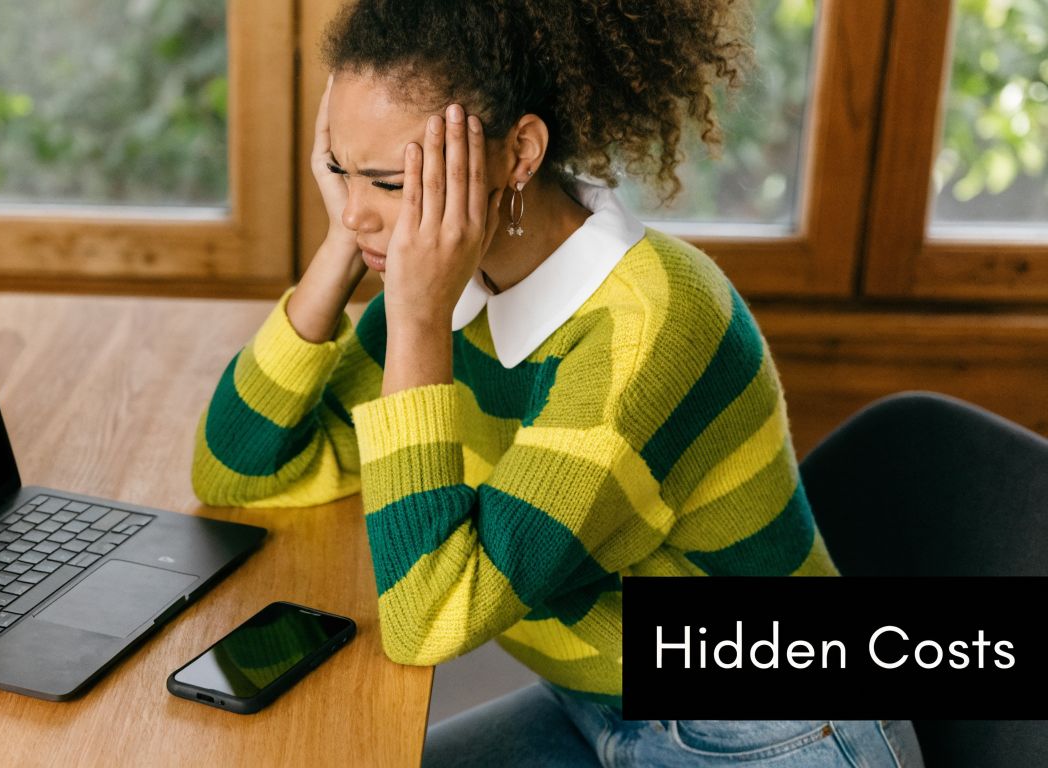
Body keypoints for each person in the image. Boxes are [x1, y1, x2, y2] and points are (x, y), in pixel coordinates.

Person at [192, 0, 925, 764]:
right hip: (595, 705)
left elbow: (430, 617)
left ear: (519, 154)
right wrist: (343, 247)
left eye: (391, 183)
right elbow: (238, 470)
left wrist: (411, 319)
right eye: (339, 171)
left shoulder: (646, 328)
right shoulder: (450, 288)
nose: (354, 211)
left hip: (777, 731)